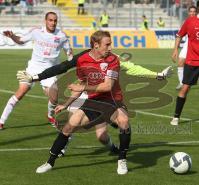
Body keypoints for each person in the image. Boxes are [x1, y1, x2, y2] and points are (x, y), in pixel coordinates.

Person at [17, 30, 131, 175]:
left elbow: (107, 86)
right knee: (68, 127)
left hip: (112, 100)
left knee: (124, 120)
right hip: (94, 101)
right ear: (96, 45)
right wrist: (66, 103)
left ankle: (122, 160)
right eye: (107, 45)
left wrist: (82, 87)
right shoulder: (83, 59)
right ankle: (50, 162)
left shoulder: (113, 59)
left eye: (110, 44)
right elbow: (76, 77)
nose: (110, 48)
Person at [0, 12, 73, 130]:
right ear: (45, 21)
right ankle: (1, 121)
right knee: (21, 92)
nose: (53, 23)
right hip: (33, 68)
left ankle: (50, 116)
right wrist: (12, 36)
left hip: (50, 72)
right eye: (50, 20)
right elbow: (21, 40)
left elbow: (69, 53)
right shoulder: (36, 32)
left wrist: (71, 63)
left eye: (55, 20)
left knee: (54, 98)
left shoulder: (62, 36)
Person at [174, 5, 197, 90]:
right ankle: (181, 83)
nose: (192, 13)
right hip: (188, 44)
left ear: (196, 13)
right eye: (191, 11)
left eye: (194, 12)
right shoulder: (187, 21)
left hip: (198, 45)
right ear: (188, 13)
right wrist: (175, 49)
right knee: (180, 62)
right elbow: (179, 35)